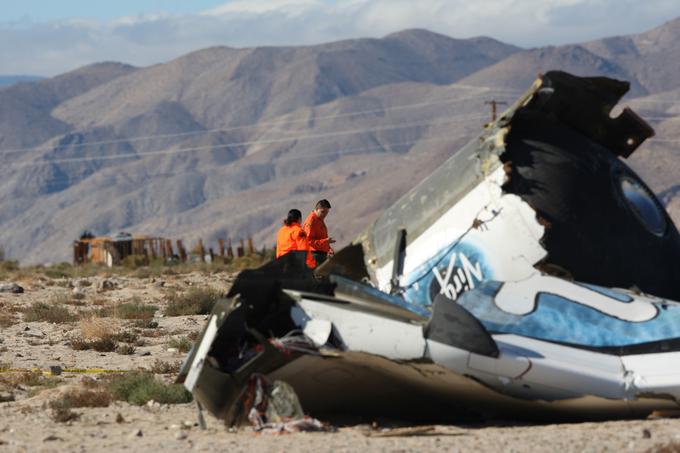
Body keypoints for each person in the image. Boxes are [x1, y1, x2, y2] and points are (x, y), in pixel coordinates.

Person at [303, 199, 336, 266]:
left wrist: (329, 249)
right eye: (323, 212)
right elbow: (308, 241)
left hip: (321, 255)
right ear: (316, 209)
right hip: (314, 255)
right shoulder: (311, 221)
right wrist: (325, 241)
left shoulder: (319, 219)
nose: (325, 215)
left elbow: (321, 238)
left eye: (327, 212)